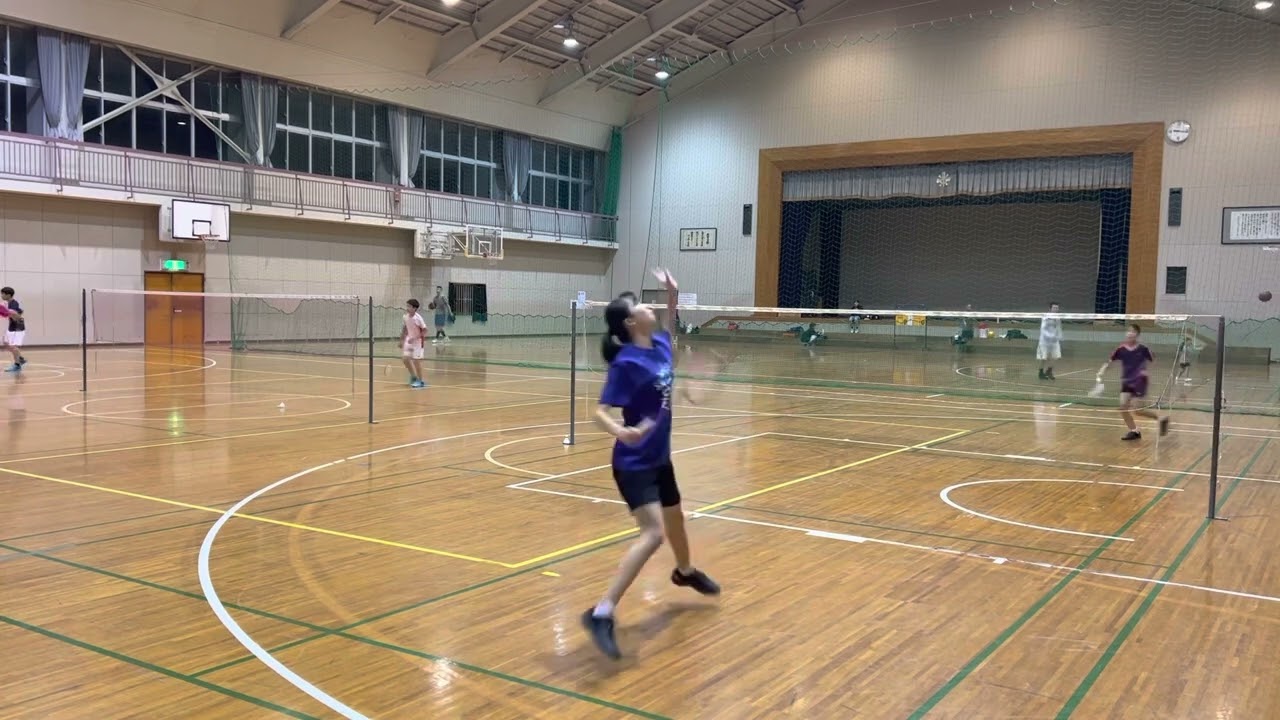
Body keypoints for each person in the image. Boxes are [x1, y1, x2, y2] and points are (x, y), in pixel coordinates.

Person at [583, 269, 720, 659]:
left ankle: (684, 572)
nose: (649, 308)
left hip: (660, 457)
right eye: (641, 306)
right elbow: (598, 411)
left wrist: (672, 293)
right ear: (631, 323)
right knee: (654, 533)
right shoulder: (626, 364)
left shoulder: (659, 343)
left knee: (676, 519)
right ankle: (601, 611)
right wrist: (620, 431)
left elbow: (670, 325)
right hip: (633, 462)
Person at [1096, 323, 1170, 441]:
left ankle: (1161, 418)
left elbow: (1153, 360)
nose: (1130, 333)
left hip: (1140, 382)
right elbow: (1110, 361)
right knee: (1123, 408)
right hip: (1126, 381)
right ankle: (1134, 431)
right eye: (1129, 331)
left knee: (1138, 410)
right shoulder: (1121, 349)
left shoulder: (1143, 349)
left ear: (1137, 335)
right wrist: (1102, 370)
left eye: (1133, 331)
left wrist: (1146, 371)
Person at [400, 299, 428, 388]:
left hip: (418, 342)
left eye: (409, 306)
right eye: (407, 306)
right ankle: (413, 376)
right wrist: (401, 340)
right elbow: (405, 328)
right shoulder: (405, 317)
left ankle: (420, 381)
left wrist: (415, 338)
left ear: (414, 308)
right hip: (409, 340)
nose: (407, 308)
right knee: (405, 359)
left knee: (416, 361)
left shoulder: (418, 318)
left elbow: (425, 330)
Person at [2, 287, 26, 373]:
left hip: (17, 327)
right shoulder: (7, 303)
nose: (1, 295)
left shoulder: (13, 303)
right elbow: (20, 311)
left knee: (13, 346)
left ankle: (17, 365)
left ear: (8, 295)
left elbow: (15, 314)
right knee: (5, 342)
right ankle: (20, 359)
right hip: (12, 326)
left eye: (3, 294)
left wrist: (7, 311)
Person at [1038, 302, 1063, 381]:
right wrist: (1050, 336)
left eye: (1057, 308)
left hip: (1054, 341)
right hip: (1044, 341)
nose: (1056, 309)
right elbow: (1043, 328)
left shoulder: (1058, 318)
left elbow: (1058, 327)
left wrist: (1059, 336)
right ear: (1050, 309)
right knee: (1044, 358)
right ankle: (1040, 373)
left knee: (1056, 357)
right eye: (1054, 308)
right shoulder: (1045, 317)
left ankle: (1049, 371)